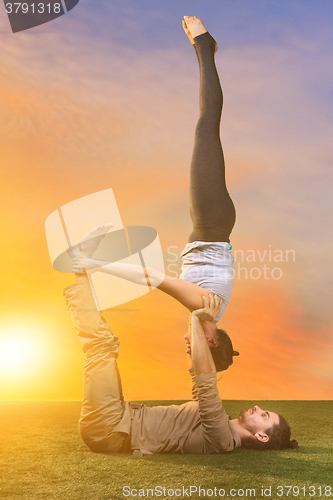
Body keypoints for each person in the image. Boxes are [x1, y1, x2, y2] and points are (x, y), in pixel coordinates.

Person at [71, 16, 238, 372]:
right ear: (211, 340)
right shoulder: (204, 307)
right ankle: (205, 47)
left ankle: (205, 49)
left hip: (211, 224)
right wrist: (94, 262)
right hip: (211, 221)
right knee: (206, 123)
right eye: (192, 350)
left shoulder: (206, 308)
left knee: (207, 126)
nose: (185, 346)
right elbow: (152, 277)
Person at [64, 263, 298, 455]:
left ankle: (79, 268)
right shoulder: (218, 422)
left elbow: (206, 382)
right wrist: (197, 310)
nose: (258, 408)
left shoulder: (223, 439)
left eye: (264, 415)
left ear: (262, 436)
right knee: (106, 344)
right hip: (119, 418)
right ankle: (81, 270)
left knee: (102, 344)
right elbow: (197, 374)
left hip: (112, 428)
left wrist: (199, 319)